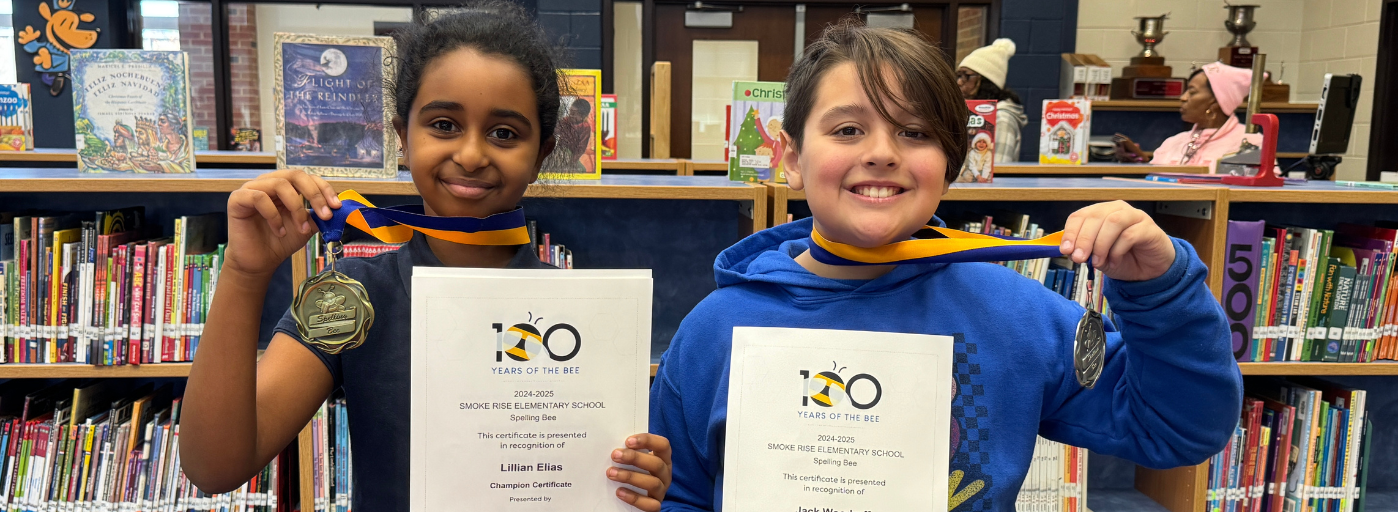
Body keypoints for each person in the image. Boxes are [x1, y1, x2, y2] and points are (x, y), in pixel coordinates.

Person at [650, 19, 1241, 510]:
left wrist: (1161, 290)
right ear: (792, 158)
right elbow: (681, 494)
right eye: (849, 128)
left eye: (915, 131)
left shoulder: (1015, 313)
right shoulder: (717, 328)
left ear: (952, 164)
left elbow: (1180, 428)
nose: (881, 152)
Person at [179, 3, 672, 511]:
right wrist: (244, 273)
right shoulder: (350, 295)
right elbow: (214, 466)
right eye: (443, 124)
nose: (472, 154)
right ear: (402, 136)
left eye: (505, 133)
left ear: (542, 152)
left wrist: (637, 477)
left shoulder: (582, 312)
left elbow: (610, 473)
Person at [1114, 62, 1261, 173]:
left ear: (1216, 100)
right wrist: (1139, 164)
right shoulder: (1173, 142)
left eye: (1192, 92)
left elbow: (1257, 196)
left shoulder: (1249, 142)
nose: (1183, 98)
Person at [957, 38, 1027, 163]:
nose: (959, 82)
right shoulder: (970, 113)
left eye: (967, 76)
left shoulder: (1002, 118)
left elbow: (1000, 168)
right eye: (958, 76)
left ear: (985, 81)